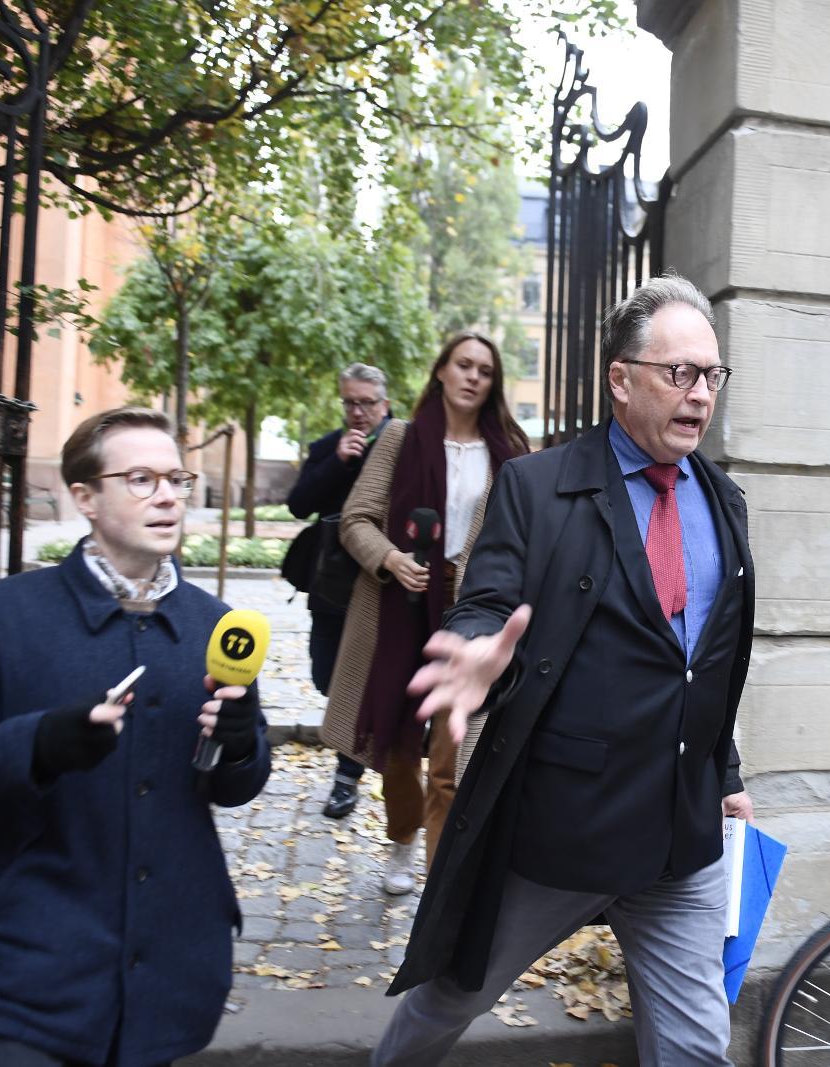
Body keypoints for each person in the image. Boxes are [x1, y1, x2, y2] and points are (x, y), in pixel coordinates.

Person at [374, 274, 755, 1066]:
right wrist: (480, 653)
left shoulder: (725, 501)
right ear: (620, 378)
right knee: (446, 1001)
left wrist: (725, 770)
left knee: (698, 1048)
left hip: (681, 841)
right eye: (678, 372)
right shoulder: (537, 488)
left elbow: (709, 658)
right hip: (562, 829)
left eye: (711, 375)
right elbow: (485, 604)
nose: (700, 394)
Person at [0, 407, 271, 1067]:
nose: (170, 495)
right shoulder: (0, 617)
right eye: (141, 479)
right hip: (22, 977)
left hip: (167, 980)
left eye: (175, 477)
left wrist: (238, 746)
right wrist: (34, 743)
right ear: (85, 497)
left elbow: (235, 785)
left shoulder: (219, 626)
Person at [320, 332, 528, 896]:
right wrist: (389, 558)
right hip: (400, 609)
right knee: (396, 747)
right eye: (463, 365)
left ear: (494, 383)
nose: (472, 377)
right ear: (441, 371)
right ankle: (403, 836)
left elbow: (527, 533)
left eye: (485, 370)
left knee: (449, 754)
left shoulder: (511, 450)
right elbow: (355, 518)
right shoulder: (400, 440)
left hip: (473, 615)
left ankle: (440, 881)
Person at [287, 363, 392, 819]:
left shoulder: (402, 446)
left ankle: (346, 778)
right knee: (326, 676)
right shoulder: (328, 447)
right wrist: (337, 462)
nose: (357, 411)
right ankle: (359, 743)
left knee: (360, 682)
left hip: (379, 584)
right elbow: (298, 504)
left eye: (366, 402)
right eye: (349, 402)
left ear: (384, 403)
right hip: (330, 584)